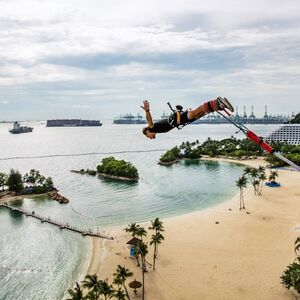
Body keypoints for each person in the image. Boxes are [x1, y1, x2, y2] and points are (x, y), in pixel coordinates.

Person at [141, 97, 234, 139]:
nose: (151, 138)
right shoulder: (157, 130)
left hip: (177, 118)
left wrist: (147, 111)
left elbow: (150, 121)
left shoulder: (152, 128)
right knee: (198, 115)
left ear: (147, 132)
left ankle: (217, 102)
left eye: (148, 137)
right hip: (178, 121)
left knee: (195, 113)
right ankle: (218, 106)